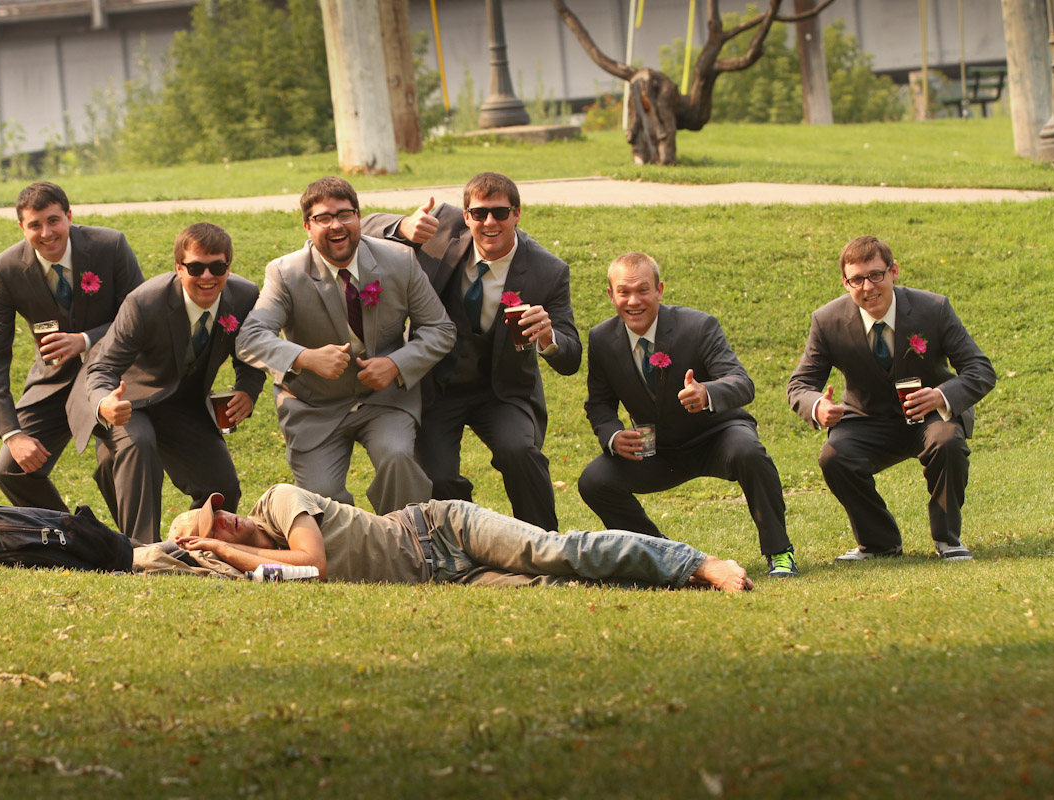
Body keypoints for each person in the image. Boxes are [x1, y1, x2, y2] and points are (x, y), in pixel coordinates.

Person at [361, 172, 581, 530]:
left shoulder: (548, 270)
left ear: (517, 214)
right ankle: (467, 543)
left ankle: (545, 543)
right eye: (479, 214)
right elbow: (365, 225)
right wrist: (402, 226)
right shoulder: (441, 227)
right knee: (436, 476)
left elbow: (571, 358)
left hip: (503, 391)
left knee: (519, 452)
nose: (490, 222)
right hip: (437, 385)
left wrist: (548, 336)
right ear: (466, 216)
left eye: (500, 212)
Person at [236, 177, 454, 514]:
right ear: (307, 226)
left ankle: (406, 543)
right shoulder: (285, 273)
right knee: (323, 500)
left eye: (345, 214)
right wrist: (305, 357)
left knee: (397, 457)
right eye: (323, 218)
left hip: (385, 400)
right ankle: (352, 552)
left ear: (358, 217)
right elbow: (251, 337)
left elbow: (440, 328)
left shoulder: (399, 261)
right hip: (313, 405)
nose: (336, 225)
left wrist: (396, 364)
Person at [579, 252, 798, 577]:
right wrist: (613, 436)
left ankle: (780, 552)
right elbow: (599, 403)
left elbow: (743, 384)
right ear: (611, 295)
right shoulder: (600, 339)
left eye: (643, 290)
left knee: (750, 452)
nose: (633, 301)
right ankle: (660, 555)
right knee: (594, 481)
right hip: (658, 450)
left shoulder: (698, 326)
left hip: (718, 436)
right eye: (624, 292)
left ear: (660, 290)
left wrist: (707, 393)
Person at [788, 236, 996, 562]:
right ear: (845, 283)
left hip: (930, 417)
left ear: (893, 271)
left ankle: (947, 540)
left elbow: (980, 369)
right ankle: (879, 544)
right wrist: (818, 406)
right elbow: (800, 383)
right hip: (867, 420)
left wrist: (942, 396)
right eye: (856, 279)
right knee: (834, 457)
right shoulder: (827, 321)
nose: (867, 287)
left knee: (948, 442)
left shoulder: (934, 309)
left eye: (875, 275)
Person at [68, 222, 265, 544]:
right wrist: (106, 402)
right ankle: (141, 552)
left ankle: (202, 549)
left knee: (222, 485)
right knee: (139, 444)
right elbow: (102, 367)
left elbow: (252, 353)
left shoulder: (244, 297)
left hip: (181, 403)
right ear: (178, 268)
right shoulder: (144, 302)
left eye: (217, 267)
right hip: (125, 397)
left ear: (229, 267)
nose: (207, 276)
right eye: (196, 267)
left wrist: (247, 389)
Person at [167, 486, 753, 592]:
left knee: (557, 551)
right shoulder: (258, 571)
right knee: (553, 585)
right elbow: (149, 563)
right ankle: (679, 582)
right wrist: (220, 558)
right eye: (214, 528)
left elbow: (313, 564)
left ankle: (696, 561)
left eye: (218, 515)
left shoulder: (276, 500)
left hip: (440, 527)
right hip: (441, 577)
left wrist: (221, 549)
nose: (226, 521)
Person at [0, 181, 143, 511]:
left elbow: (139, 318)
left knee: (120, 455)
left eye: (53, 220)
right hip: (53, 382)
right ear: (21, 227)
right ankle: (73, 538)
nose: (46, 233)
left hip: (114, 378)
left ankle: (134, 549)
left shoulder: (109, 245)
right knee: (9, 471)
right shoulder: (6, 268)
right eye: (35, 225)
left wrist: (85, 339)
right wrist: (12, 433)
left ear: (69, 216)